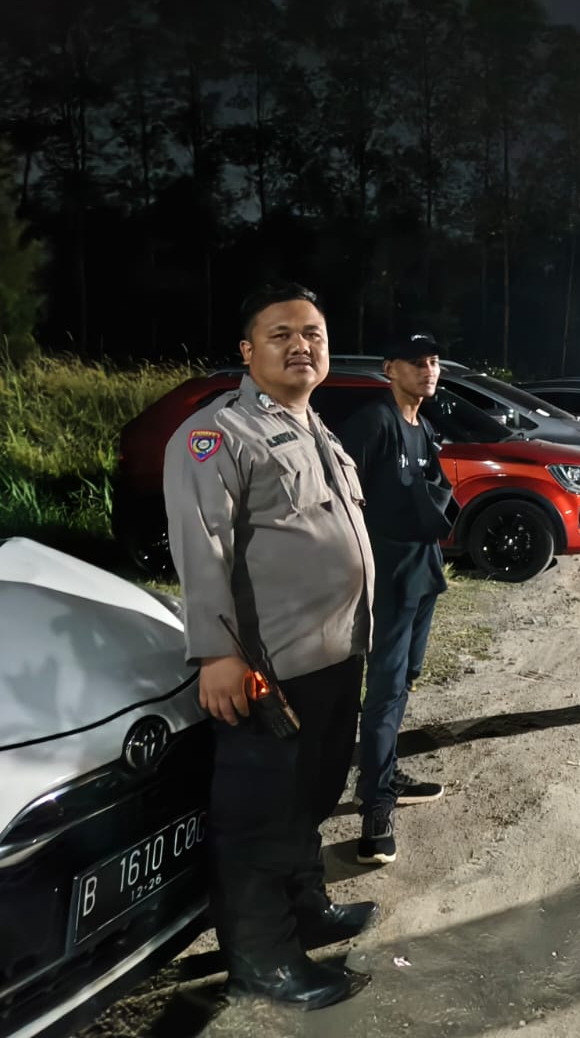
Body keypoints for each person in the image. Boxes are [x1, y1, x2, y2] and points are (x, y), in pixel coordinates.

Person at [163, 283, 375, 1009]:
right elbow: (202, 548)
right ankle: (261, 960)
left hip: (334, 657)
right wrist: (217, 654)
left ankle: (306, 911)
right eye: (281, 334)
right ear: (248, 351)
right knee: (260, 816)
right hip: (269, 667)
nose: (301, 345)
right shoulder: (217, 434)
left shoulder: (318, 429)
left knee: (308, 798)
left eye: (313, 333)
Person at [333, 332, 455, 867]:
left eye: (434, 361)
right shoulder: (374, 422)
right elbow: (340, 500)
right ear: (390, 368)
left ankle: (383, 772)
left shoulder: (421, 426)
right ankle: (375, 810)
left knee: (405, 679)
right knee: (384, 689)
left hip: (422, 575)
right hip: (387, 581)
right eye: (416, 361)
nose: (428, 369)